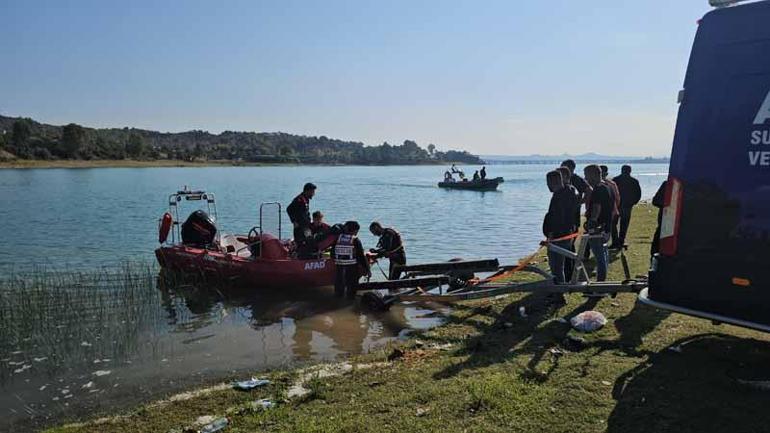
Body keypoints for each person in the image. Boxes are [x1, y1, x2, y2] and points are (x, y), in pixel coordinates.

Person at [543, 170, 580, 284]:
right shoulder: (569, 191)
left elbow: (558, 218)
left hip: (559, 236)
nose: (548, 186)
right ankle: (559, 289)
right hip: (567, 233)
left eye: (548, 183)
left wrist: (551, 234)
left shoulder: (560, 196)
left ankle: (559, 294)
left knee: (556, 267)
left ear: (552, 182)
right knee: (559, 266)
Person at [583, 165, 613, 282]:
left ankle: (600, 286)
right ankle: (602, 282)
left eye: (586, 176)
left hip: (598, 229)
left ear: (593, 175)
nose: (585, 179)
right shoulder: (608, 186)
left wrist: (592, 221)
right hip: (606, 227)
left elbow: (597, 207)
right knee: (603, 255)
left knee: (599, 258)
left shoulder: (598, 189)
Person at [333, 221, 370, 299]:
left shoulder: (337, 239)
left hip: (339, 269)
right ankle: (348, 305)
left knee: (339, 292)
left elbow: (332, 254)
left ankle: (337, 303)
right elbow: (361, 256)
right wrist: (367, 269)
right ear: (355, 230)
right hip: (352, 269)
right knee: (351, 291)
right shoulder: (355, 240)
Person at [556, 166, 581, 281]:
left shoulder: (568, 191)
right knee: (569, 252)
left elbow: (563, 213)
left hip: (566, 229)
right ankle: (568, 275)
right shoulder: (566, 191)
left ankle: (566, 278)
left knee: (566, 254)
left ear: (566, 176)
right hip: (569, 227)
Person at [612, 165, 642, 249]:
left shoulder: (616, 180)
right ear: (630, 171)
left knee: (613, 224)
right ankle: (621, 241)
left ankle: (615, 241)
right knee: (624, 224)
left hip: (618, 205)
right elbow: (638, 194)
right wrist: (633, 202)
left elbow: (612, 192)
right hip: (627, 205)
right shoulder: (634, 181)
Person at [287, 183, 316, 256]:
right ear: (307, 191)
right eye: (312, 192)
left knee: (310, 240)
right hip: (299, 226)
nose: (313, 194)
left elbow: (306, 212)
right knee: (300, 242)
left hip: (306, 225)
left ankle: (309, 256)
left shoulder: (306, 199)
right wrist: (294, 221)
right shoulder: (299, 200)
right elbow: (289, 209)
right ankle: (299, 257)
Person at [600, 165, 622, 249]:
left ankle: (614, 243)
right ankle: (614, 243)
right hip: (612, 210)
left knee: (611, 228)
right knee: (612, 228)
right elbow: (617, 198)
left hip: (610, 211)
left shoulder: (610, 184)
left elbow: (617, 198)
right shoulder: (611, 184)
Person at [650, 180, 668, 257]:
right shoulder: (667, 184)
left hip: (665, 219)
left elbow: (655, 201)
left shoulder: (667, 184)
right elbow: (655, 201)